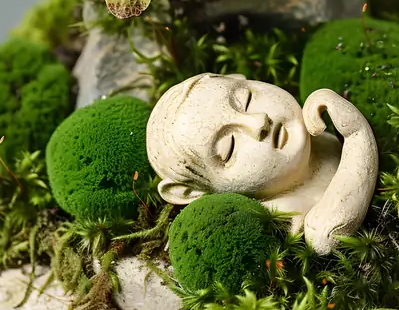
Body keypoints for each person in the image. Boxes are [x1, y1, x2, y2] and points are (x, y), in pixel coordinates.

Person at [146, 72, 379, 255]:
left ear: (241, 78)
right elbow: (327, 235)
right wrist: (356, 133)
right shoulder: (286, 215)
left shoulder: (317, 123)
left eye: (245, 99)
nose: (258, 123)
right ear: (192, 193)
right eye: (229, 148)